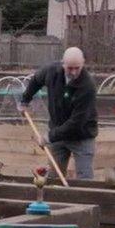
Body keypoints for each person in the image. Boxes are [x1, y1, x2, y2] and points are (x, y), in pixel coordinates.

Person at [18, 46, 98, 180]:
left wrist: (49, 137)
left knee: (85, 178)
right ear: (63, 64)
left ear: (83, 64)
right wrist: (25, 101)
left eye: (77, 68)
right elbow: (36, 80)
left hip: (82, 135)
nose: (73, 72)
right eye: (69, 68)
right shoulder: (51, 71)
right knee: (53, 178)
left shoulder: (87, 86)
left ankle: (84, 200)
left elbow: (76, 123)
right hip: (58, 134)